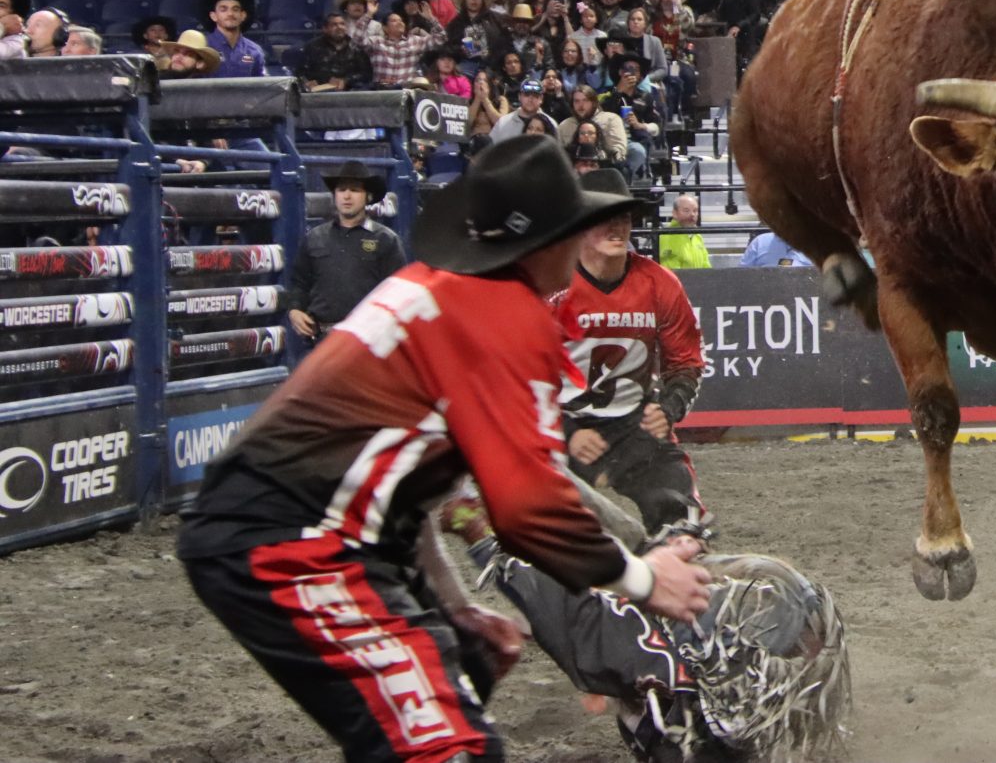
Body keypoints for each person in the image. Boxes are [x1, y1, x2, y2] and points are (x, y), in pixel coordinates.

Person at [177, 139, 714, 762]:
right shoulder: (501, 316)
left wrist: (453, 603)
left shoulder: (440, 289)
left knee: (456, 683)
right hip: (295, 542)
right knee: (447, 748)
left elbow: (413, 476)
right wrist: (646, 579)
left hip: (302, 526)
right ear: (548, 242)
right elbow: (528, 509)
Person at [558, 168, 709, 530]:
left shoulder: (659, 283)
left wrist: (668, 408)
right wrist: (566, 431)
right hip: (558, 425)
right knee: (537, 529)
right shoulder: (549, 284)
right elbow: (516, 377)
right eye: (604, 218)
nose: (617, 227)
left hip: (634, 424)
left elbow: (686, 362)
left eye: (623, 217)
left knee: (683, 522)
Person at [280, 162, 404, 370]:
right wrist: (294, 311)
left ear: (368, 197)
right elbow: (299, 283)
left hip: (368, 344)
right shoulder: (314, 238)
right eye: (341, 190)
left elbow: (398, 296)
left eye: (355, 190)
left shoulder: (386, 240)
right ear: (334, 195)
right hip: (321, 342)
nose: (347, 196)